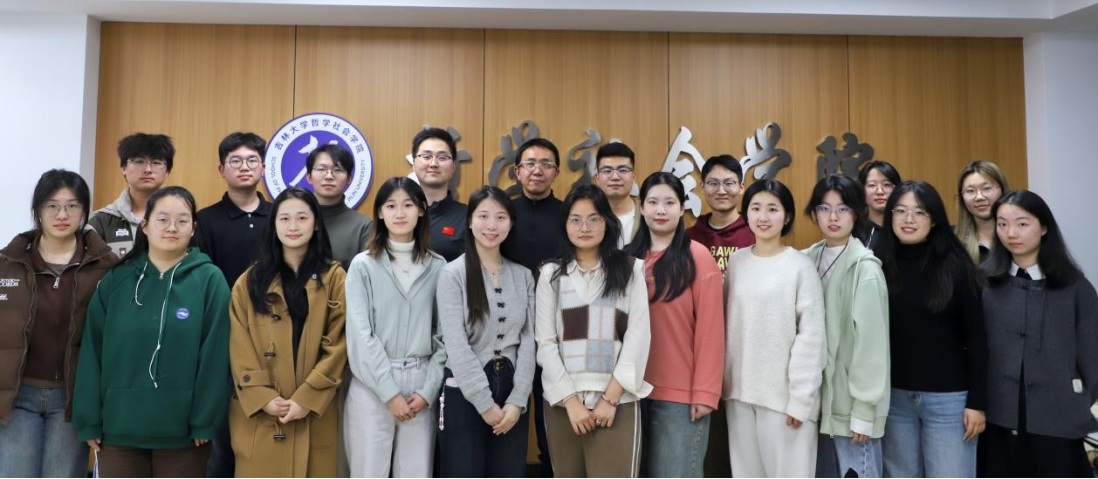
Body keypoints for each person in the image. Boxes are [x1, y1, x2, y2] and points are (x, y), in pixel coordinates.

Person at [72, 186, 231, 478]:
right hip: (118, 431)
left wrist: (204, 420)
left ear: (193, 228)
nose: (172, 227)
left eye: (182, 220)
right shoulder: (116, 280)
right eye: (162, 219)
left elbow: (215, 355)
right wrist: (89, 420)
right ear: (144, 226)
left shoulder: (210, 280)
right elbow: (92, 351)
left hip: (184, 434)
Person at [0, 170, 119, 478]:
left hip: (73, 398)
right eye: (52, 206)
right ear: (38, 210)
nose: (62, 215)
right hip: (17, 396)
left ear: (84, 210)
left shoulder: (106, 267)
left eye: (72, 206)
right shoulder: (7, 263)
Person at [227, 188, 348, 477]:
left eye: (302, 218)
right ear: (274, 225)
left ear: (316, 224)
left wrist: (307, 398)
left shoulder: (335, 277)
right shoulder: (249, 281)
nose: (293, 226)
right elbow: (239, 346)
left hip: (316, 410)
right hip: (263, 413)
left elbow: (340, 343)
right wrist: (263, 397)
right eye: (284, 219)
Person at [979, 190, 1098, 478]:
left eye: (1022, 224)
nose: (1011, 233)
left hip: (1058, 413)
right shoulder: (984, 282)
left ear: (1044, 227)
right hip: (997, 412)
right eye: (1002, 224)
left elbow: (1091, 354)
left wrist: (1083, 402)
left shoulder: (1075, 287)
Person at [537, 184, 652, 478]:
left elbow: (638, 337)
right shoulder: (550, 275)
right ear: (565, 225)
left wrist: (610, 399)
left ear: (607, 222)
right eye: (575, 219)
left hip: (617, 402)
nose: (584, 227)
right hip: (564, 404)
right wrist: (571, 402)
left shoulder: (631, 270)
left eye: (594, 219)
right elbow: (546, 343)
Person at [875, 181, 988, 478]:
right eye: (900, 211)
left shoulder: (956, 265)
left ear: (934, 219)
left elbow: (978, 339)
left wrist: (977, 403)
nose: (908, 219)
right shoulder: (878, 264)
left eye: (919, 212)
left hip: (949, 401)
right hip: (895, 399)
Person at [344, 177, 448, 478]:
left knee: (416, 472)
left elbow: (444, 337)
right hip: (372, 383)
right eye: (390, 206)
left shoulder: (439, 266)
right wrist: (389, 393)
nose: (399, 213)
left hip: (421, 384)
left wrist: (428, 391)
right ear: (379, 212)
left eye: (408, 205)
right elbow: (360, 334)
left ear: (421, 210)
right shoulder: (362, 266)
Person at [723, 179, 825, 478]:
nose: (763, 216)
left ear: (787, 216)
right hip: (739, 395)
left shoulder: (800, 266)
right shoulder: (737, 262)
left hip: (784, 401)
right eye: (755, 208)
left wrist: (801, 400)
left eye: (772, 209)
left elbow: (812, 338)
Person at [626, 173, 724, 478]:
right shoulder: (626, 259)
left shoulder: (698, 257)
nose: (660, 210)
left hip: (679, 397)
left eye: (669, 203)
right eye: (653, 202)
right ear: (641, 207)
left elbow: (711, 331)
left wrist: (705, 392)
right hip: (629, 393)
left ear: (682, 208)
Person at [437, 186, 536, 478]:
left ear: (511, 224)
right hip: (464, 391)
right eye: (483, 216)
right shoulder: (452, 274)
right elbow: (456, 344)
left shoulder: (524, 276)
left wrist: (518, 400)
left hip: (512, 392)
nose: (491, 225)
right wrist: (483, 402)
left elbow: (529, 341)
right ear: (470, 221)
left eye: (500, 217)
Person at [194, 131, 274, 478]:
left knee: (268, 437)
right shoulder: (205, 220)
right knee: (223, 444)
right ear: (221, 169)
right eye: (236, 161)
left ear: (263, 167)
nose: (244, 167)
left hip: (273, 340)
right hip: (223, 342)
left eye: (252, 160)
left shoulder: (280, 216)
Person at [802, 175, 890, 479]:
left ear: (857, 213)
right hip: (818, 405)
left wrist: (864, 411)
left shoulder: (865, 268)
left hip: (852, 410)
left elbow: (872, 348)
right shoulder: (807, 259)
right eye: (824, 208)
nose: (833, 217)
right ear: (814, 214)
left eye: (843, 209)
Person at [89, 133, 175, 258]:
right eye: (139, 161)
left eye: (156, 162)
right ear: (123, 168)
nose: (148, 169)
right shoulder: (102, 221)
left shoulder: (181, 218)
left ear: (167, 171)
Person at [305, 144, 372, 270]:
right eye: (321, 169)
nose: (329, 176)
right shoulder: (293, 221)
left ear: (349, 178)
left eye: (337, 170)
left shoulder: (363, 227)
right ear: (309, 177)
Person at [687, 155, 755, 273]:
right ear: (702, 187)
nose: (721, 191)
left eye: (729, 183)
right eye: (713, 183)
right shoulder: (688, 237)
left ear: (741, 187)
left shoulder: (755, 233)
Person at [411, 128, 467, 262]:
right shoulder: (398, 214)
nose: (433, 164)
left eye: (442, 157)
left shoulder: (469, 217)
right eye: (426, 157)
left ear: (453, 167)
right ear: (414, 164)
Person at [955, 160, 1011, 264]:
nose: (979, 197)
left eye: (987, 188)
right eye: (970, 191)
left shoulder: (1019, 237)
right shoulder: (953, 243)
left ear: (1003, 190)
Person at [593, 142, 641, 248]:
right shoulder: (587, 214)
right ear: (597, 178)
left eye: (623, 170)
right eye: (607, 171)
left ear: (633, 177)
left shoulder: (647, 214)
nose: (615, 177)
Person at [856, 161, 901, 250]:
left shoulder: (905, 228)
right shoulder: (854, 232)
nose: (880, 191)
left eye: (886, 184)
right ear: (861, 190)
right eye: (872, 185)